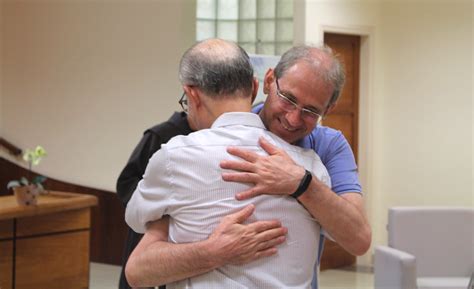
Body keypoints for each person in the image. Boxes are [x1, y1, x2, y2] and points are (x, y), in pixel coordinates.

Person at [117, 42, 371, 288]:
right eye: (288, 99)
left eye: (311, 111)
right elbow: (139, 267)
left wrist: (302, 184)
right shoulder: (184, 150)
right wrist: (214, 251)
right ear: (266, 82)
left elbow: (358, 239)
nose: (293, 119)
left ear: (329, 108)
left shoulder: (322, 154)